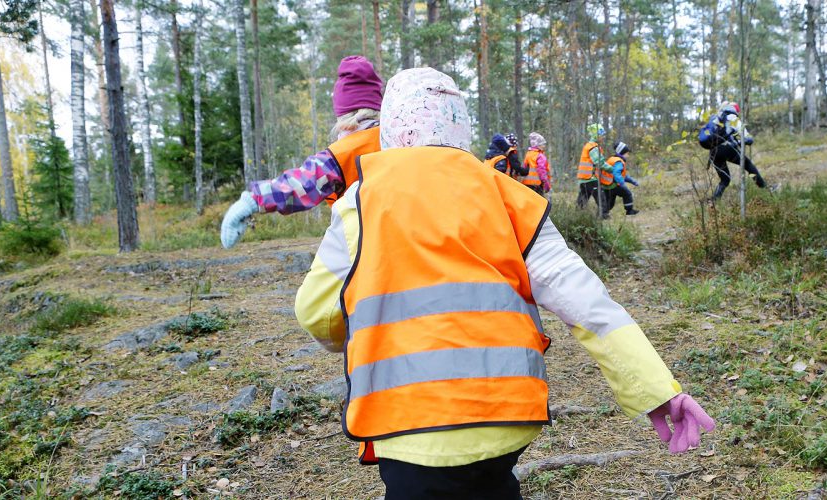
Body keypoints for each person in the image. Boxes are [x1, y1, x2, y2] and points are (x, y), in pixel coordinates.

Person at [293, 67, 715, 499]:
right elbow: (589, 304)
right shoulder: (511, 198)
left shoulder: (359, 204)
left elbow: (316, 313)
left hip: (406, 421)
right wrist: (657, 390)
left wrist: (353, 330)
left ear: (392, 129)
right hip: (505, 416)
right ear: (461, 128)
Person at [219, 56, 383, 249]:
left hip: (367, 249)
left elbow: (302, 184)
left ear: (343, 115)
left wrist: (252, 201)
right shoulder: (402, 141)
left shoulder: (342, 155)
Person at [697, 102, 767, 201]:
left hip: (713, 152)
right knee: (747, 164)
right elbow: (747, 138)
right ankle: (765, 188)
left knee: (725, 180)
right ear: (735, 110)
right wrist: (743, 141)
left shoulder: (715, 118)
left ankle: (713, 201)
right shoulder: (733, 118)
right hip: (727, 148)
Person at [600, 141, 640, 217]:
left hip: (606, 185)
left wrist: (633, 181)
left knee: (610, 202)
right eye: (627, 153)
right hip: (614, 184)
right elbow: (617, 174)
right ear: (623, 153)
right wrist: (622, 184)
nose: (628, 155)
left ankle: (603, 214)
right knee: (627, 194)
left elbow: (623, 175)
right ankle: (629, 210)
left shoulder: (612, 159)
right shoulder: (619, 162)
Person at [575, 124, 608, 210]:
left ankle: (577, 216)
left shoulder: (589, 146)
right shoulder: (593, 147)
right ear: (596, 135)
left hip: (584, 179)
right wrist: (611, 169)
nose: (603, 137)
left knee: (581, 201)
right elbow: (599, 162)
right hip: (591, 179)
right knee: (601, 199)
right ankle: (604, 216)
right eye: (602, 135)